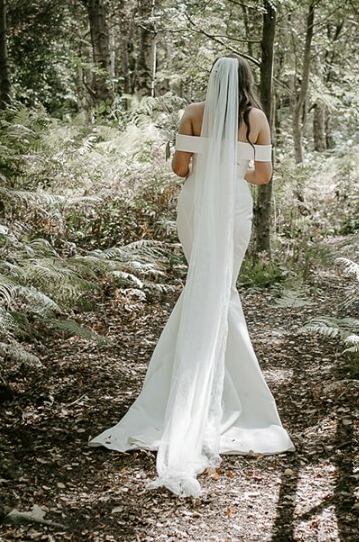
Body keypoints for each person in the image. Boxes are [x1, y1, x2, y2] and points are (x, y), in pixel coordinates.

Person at [90, 56, 294, 497]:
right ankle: (226, 392)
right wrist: (234, 165)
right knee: (219, 289)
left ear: (212, 82)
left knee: (204, 283)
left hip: (198, 204)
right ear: (245, 81)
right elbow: (263, 175)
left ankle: (184, 389)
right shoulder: (255, 117)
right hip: (233, 205)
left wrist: (206, 160)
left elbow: (179, 169)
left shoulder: (192, 113)